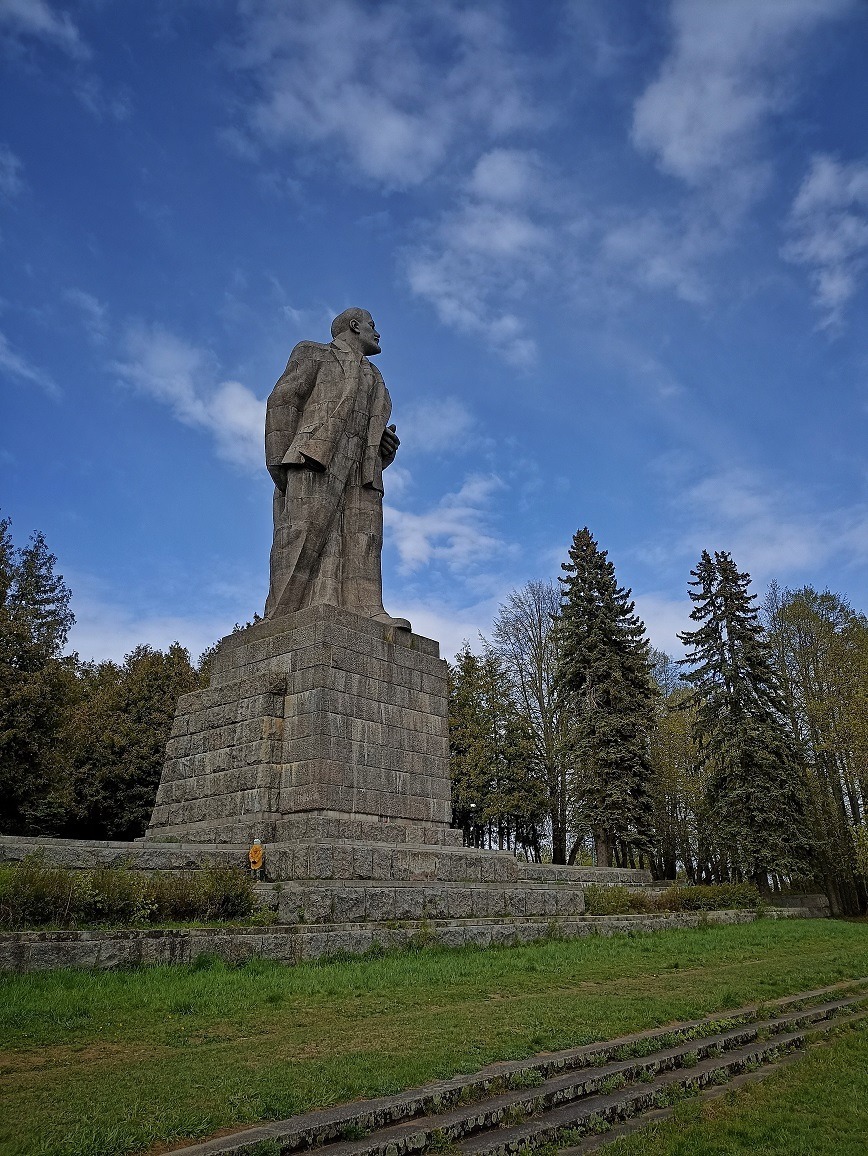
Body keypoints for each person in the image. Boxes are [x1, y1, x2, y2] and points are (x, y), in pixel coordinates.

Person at [264, 308, 410, 629]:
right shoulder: (314, 353)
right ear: (354, 327)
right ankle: (281, 617)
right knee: (302, 539)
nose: (378, 332)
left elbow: (366, 426)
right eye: (373, 325)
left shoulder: (376, 380)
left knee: (365, 541)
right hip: (313, 458)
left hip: (361, 470)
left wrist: (382, 448)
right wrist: (284, 465)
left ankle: (367, 609)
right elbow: (282, 401)